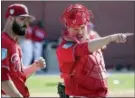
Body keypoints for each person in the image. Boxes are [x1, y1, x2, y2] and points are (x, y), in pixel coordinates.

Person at [56, 4, 132, 98]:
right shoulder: (64, 47)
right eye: (75, 29)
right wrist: (110, 38)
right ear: (68, 27)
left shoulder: (92, 40)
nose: (79, 32)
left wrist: (110, 39)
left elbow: (97, 45)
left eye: (82, 28)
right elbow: (84, 48)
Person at [1, 4, 46, 97]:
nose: (26, 24)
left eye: (27, 20)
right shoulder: (3, 41)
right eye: (22, 19)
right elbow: (2, 78)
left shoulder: (16, 45)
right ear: (10, 19)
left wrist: (35, 67)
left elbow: (19, 76)